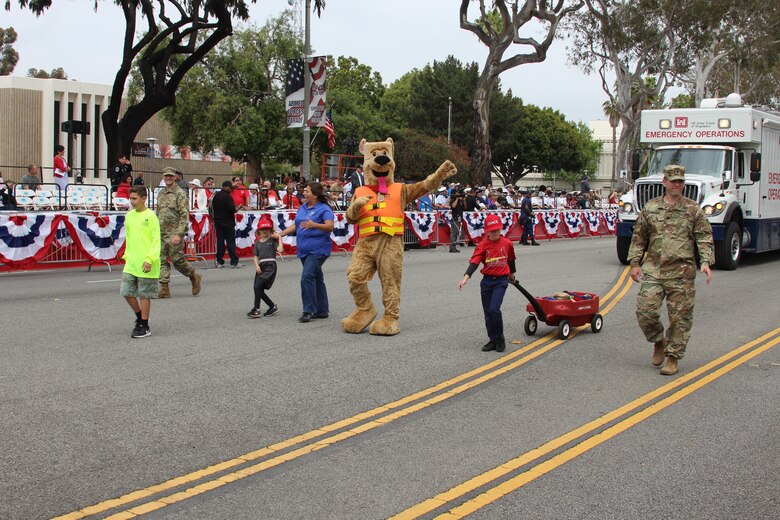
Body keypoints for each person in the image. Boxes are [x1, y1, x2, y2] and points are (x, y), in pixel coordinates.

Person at [628, 165, 714, 376]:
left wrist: (705, 261)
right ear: (664, 182)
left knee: (680, 318)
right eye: (673, 181)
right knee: (645, 312)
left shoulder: (693, 209)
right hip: (654, 270)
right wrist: (634, 263)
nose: (677, 185)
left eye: (680, 181)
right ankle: (658, 341)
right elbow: (639, 237)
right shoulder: (651, 207)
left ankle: (673, 357)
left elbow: (704, 236)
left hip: (681, 272)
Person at [457, 214, 516, 353]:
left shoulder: (507, 243)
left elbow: (511, 260)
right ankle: (492, 339)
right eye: (492, 231)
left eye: (497, 230)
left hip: (501, 281)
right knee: (488, 313)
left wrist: (512, 275)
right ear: (487, 231)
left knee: (494, 309)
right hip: (487, 281)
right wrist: (466, 277)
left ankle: (500, 337)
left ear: (500, 229)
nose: (495, 233)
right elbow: (475, 261)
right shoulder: (482, 245)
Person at [278, 182, 334, 323]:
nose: (304, 192)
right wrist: (280, 234)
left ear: (314, 195)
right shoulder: (303, 207)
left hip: (318, 249)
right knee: (316, 278)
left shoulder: (324, 209)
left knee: (307, 277)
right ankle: (322, 309)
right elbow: (296, 225)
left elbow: (330, 226)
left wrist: (315, 225)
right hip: (304, 249)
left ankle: (308, 310)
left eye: (307, 191)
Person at [156, 167, 203, 297]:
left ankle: (193, 275)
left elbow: (184, 215)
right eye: (166, 176)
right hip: (161, 232)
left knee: (177, 260)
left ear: (175, 177)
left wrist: (179, 234)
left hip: (174, 233)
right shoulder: (161, 194)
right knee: (162, 260)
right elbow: (158, 213)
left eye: (170, 176)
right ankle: (164, 288)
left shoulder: (180, 194)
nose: (168, 178)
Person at [120, 186, 160, 339]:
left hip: (147, 261)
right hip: (131, 261)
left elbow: (156, 240)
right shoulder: (129, 216)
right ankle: (139, 316)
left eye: (135, 198)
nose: (132, 201)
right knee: (126, 291)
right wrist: (126, 255)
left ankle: (144, 324)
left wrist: (150, 259)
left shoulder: (151, 216)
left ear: (144, 199)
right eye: (130, 198)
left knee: (144, 294)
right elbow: (129, 238)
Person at [247, 217, 284, 318]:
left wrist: (279, 238)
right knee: (258, 289)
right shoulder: (258, 243)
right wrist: (257, 266)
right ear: (259, 231)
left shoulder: (272, 241)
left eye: (267, 229)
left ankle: (256, 309)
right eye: (262, 229)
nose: (265, 231)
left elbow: (280, 250)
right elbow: (255, 256)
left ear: (270, 230)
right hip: (261, 265)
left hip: (270, 265)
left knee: (257, 286)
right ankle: (272, 306)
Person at [211, 180, 241, 268]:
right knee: (230, 241)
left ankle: (219, 260)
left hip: (218, 221)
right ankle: (234, 261)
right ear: (226, 187)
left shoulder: (216, 195)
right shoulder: (228, 197)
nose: (231, 189)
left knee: (220, 241)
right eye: (230, 188)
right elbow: (232, 210)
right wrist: (238, 207)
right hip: (228, 222)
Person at [449, 187, 465, 253]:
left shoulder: (460, 200)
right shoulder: (453, 199)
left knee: (457, 232)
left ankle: (454, 247)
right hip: (454, 217)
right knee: (454, 232)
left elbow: (464, 207)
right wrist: (457, 198)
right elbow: (453, 206)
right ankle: (452, 248)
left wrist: (463, 200)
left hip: (459, 217)